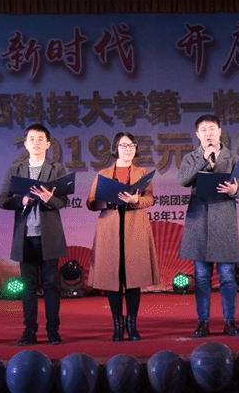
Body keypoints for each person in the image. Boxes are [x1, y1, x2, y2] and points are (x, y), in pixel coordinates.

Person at [177, 114, 239, 337]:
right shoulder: (191, 157)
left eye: (212, 129)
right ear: (197, 135)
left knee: (227, 276)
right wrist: (203, 159)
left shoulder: (232, 157)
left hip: (224, 221)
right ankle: (203, 322)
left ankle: (230, 321)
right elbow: (183, 180)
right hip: (199, 221)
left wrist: (235, 190)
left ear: (220, 132)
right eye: (204, 130)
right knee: (201, 277)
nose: (208, 133)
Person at [0, 124, 69, 345]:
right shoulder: (15, 169)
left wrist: (48, 198)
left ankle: (53, 331)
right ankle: (29, 331)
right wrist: (22, 200)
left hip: (49, 236)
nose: (36, 143)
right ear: (25, 144)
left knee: (51, 285)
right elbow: (2, 200)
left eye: (40, 139)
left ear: (48, 144)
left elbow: (63, 201)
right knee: (28, 287)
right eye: (31, 139)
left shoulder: (57, 169)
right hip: (25, 237)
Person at [86, 132, 160, 342]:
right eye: (123, 145)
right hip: (110, 228)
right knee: (113, 280)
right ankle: (118, 326)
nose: (128, 149)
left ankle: (132, 325)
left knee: (133, 278)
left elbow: (149, 199)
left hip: (135, 226)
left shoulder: (142, 173)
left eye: (131, 145)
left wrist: (136, 200)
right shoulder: (103, 173)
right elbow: (91, 202)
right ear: (115, 148)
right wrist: (107, 201)